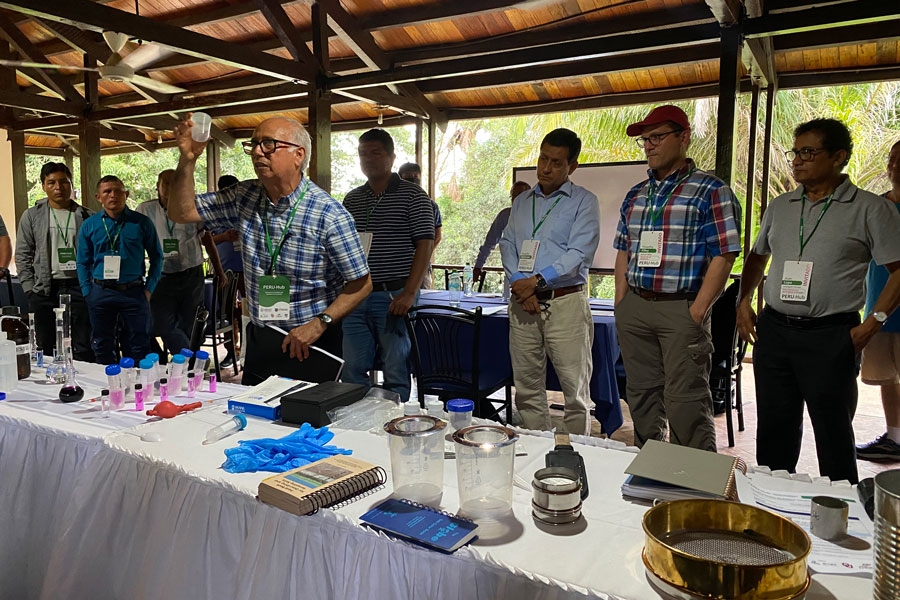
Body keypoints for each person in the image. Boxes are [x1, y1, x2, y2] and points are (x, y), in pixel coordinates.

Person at [737, 119, 900, 484]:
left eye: (809, 152)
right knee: (774, 432)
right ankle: (771, 508)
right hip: (775, 331)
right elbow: (757, 256)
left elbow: (898, 271)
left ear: (839, 156)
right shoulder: (781, 206)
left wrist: (873, 323)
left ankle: (840, 523)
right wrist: (743, 301)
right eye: (795, 152)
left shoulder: (870, 209)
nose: (797, 160)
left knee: (833, 435)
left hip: (832, 335)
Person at [167, 115, 372, 386]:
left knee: (308, 422)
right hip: (263, 336)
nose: (257, 152)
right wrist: (188, 159)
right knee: (253, 420)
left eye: (269, 144)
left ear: (298, 155)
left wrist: (320, 322)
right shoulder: (245, 197)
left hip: (310, 340)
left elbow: (362, 282)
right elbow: (181, 212)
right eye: (253, 145)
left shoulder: (329, 215)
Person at [613, 105, 742, 451]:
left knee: (686, 401)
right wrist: (621, 301)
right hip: (637, 305)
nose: (650, 146)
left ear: (683, 138)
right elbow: (624, 247)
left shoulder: (710, 190)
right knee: (640, 395)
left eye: (657, 137)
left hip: (681, 308)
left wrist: (698, 311)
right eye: (645, 140)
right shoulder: (636, 194)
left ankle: (694, 487)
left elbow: (725, 253)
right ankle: (649, 469)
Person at [499, 128, 599, 434]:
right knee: (527, 389)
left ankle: (575, 456)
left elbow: (579, 253)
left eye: (556, 162)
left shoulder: (584, 201)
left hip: (565, 302)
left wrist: (537, 281)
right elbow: (507, 244)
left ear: (572, 167)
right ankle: (536, 447)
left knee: (575, 392)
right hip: (523, 304)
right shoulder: (522, 201)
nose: (546, 167)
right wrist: (520, 282)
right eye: (543, 158)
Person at [342, 131, 435, 402]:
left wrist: (409, 293)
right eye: (362, 154)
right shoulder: (353, 199)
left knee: (396, 367)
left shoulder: (414, 196)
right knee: (353, 366)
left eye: (375, 153)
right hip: (356, 295)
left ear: (392, 157)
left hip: (395, 294)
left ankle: (396, 423)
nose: (368, 159)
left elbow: (425, 245)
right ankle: (354, 421)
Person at [136, 170, 225, 358]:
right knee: (161, 324)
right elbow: (136, 242)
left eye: (175, 183)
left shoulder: (191, 208)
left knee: (192, 325)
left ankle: (187, 368)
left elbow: (206, 239)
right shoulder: (145, 210)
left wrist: (219, 270)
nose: (171, 187)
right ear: (157, 187)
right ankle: (191, 361)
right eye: (166, 183)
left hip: (191, 274)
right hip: (161, 276)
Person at [76, 175, 163, 364]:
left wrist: (148, 289)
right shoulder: (90, 225)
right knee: (102, 345)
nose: (113, 195)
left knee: (139, 344)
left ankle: (139, 389)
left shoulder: (142, 223)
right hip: (100, 292)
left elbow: (157, 257)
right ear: (98, 197)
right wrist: (87, 291)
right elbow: (82, 261)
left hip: (133, 291)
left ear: (127, 194)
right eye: (107, 191)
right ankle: (108, 388)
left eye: (118, 191)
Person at [16, 162, 95, 362]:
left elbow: (95, 254)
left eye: (63, 182)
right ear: (43, 186)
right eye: (51, 182)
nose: (58, 187)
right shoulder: (32, 215)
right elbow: (23, 253)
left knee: (82, 343)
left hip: (78, 286)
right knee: (46, 343)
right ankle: (51, 385)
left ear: (71, 184)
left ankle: (83, 385)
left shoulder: (87, 216)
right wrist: (28, 288)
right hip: (44, 289)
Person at [858, 142, 900, 461]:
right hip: (879, 306)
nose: (896, 164)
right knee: (888, 377)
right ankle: (894, 438)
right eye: (892, 158)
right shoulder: (877, 207)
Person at [211, 174, 243, 368]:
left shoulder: (247, 209)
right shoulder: (213, 212)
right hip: (224, 271)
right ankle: (232, 352)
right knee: (227, 314)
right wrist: (223, 236)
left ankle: (248, 351)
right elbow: (204, 241)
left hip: (248, 271)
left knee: (247, 313)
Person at [474, 180, 531, 283]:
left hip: (534, 270)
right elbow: (489, 243)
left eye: (520, 196)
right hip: (512, 270)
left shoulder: (537, 216)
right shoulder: (505, 216)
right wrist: (478, 266)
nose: (516, 200)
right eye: (513, 196)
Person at [398, 162, 442, 289]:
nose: (413, 180)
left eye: (416, 177)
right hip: (395, 267)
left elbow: (437, 236)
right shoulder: (392, 204)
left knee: (422, 299)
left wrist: (422, 256)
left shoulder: (430, 205)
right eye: (408, 177)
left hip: (421, 267)